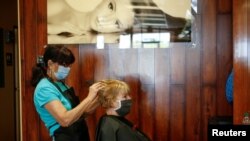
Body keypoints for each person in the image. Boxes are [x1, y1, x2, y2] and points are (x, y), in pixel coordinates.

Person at [31, 45, 105, 141]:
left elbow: (82, 113)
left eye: (69, 65)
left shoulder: (62, 84)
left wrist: (99, 99)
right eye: (64, 64)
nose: (67, 68)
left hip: (80, 135)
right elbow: (65, 120)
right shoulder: (44, 88)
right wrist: (89, 98)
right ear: (50, 64)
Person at [47, 0, 134, 44]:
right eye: (111, 6)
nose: (106, 19)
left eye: (117, 23)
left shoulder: (90, 42)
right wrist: (48, 29)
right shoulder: (58, 7)